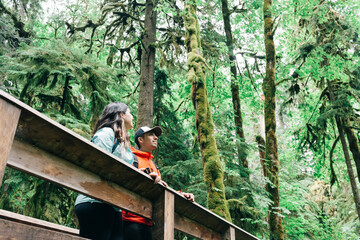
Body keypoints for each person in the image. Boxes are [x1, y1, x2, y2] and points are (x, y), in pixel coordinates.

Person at [74, 102, 135, 240]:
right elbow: (96, 163)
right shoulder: (106, 133)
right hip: (94, 201)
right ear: (121, 115)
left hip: (113, 205)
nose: (133, 116)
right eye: (130, 112)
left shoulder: (123, 143)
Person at [122, 126, 194, 240]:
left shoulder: (154, 165)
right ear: (140, 140)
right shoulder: (130, 157)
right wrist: (143, 176)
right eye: (151, 135)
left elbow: (161, 190)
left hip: (151, 224)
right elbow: (123, 179)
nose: (156, 137)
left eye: (156, 135)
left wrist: (181, 194)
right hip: (131, 221)